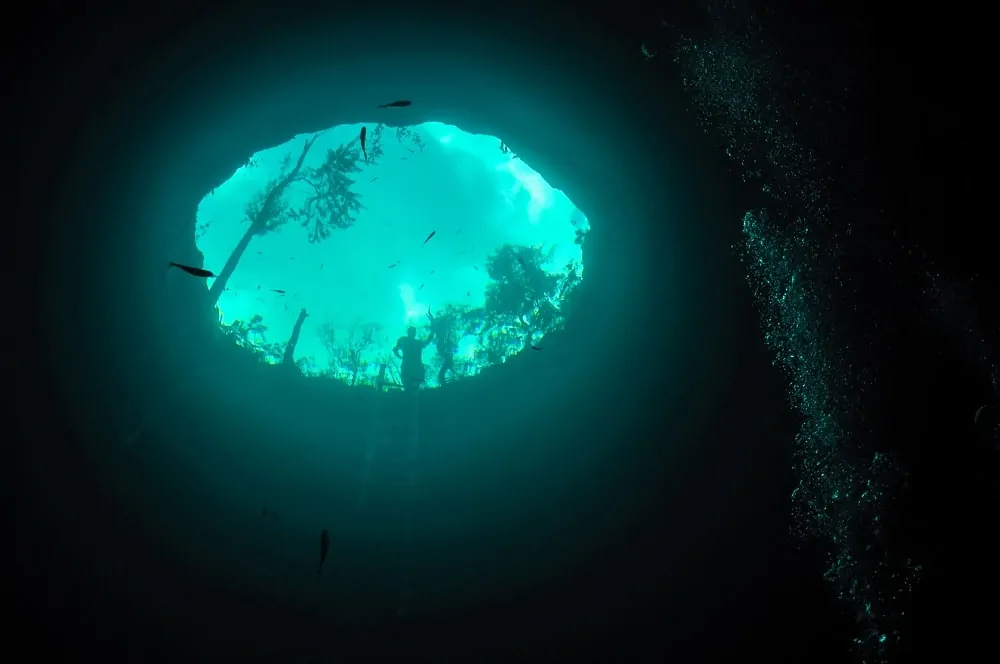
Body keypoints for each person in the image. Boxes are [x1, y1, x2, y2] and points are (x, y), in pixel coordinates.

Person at [393, 324, 434, 390]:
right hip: (412, 368)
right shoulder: (411, 342)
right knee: (412, 389)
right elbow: (395, 349)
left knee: (411, 388)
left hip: (413, 369)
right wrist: (400, 357)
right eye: (411, 332)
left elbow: (395, 349)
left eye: (412, 332)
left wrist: (400, 357)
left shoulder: (407, 341)